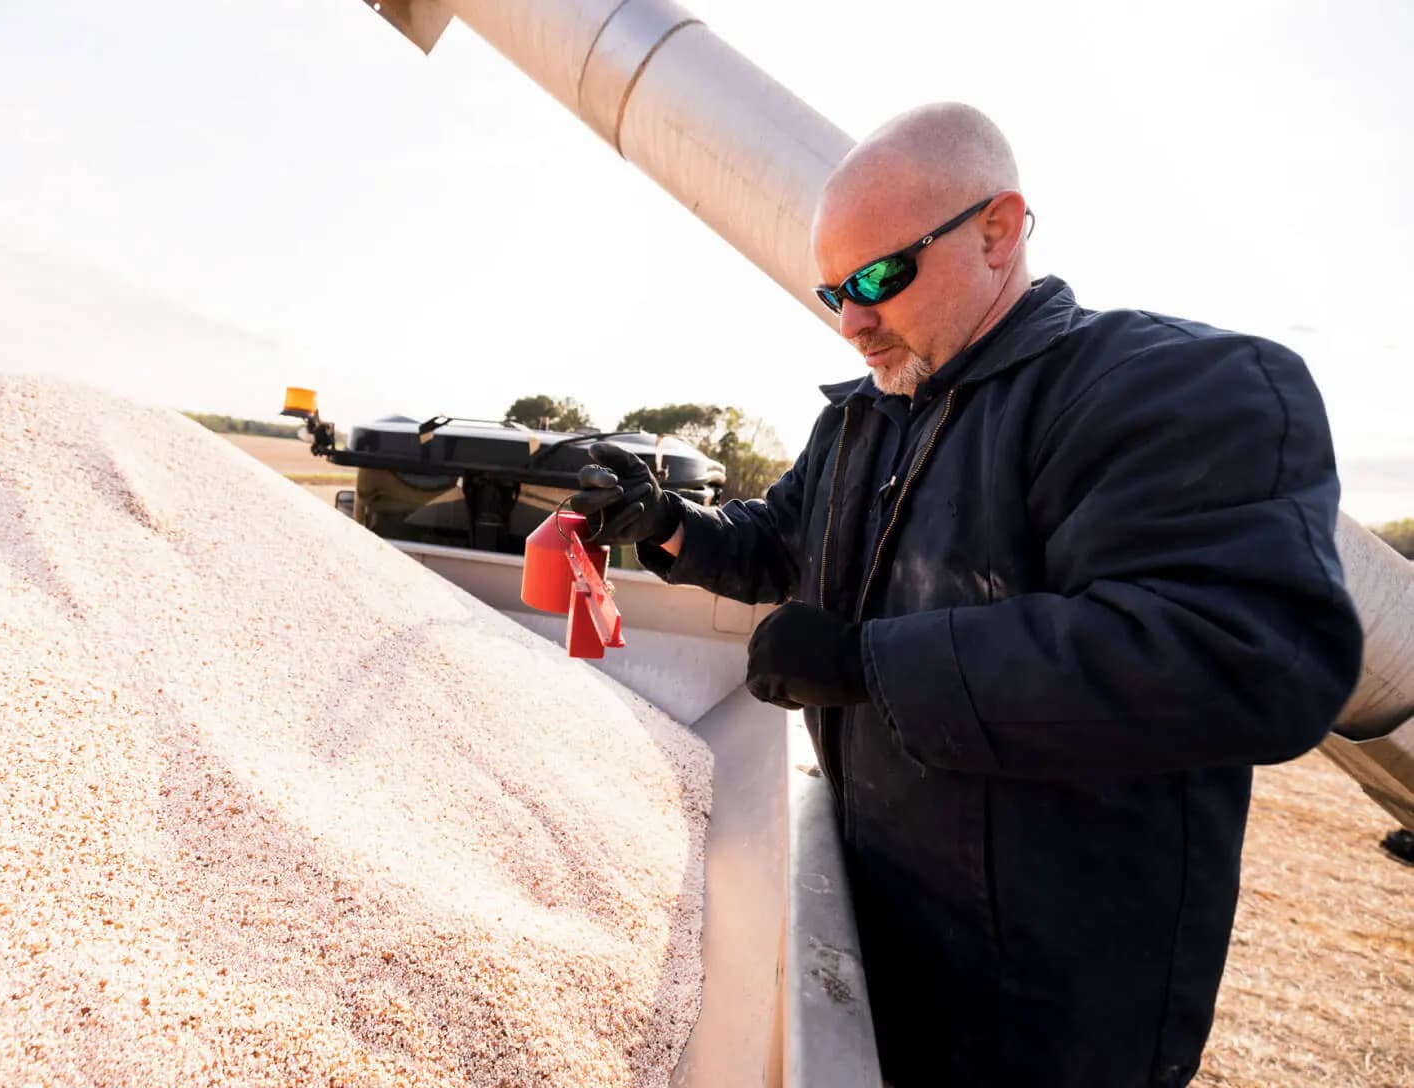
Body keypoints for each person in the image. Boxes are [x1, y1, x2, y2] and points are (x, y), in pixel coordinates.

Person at [571, 102, 1364, 1088]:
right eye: (831, 292)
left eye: (876, 276)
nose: (852, 318)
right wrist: (668, 526)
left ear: (996, 229)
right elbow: (780, 542)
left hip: (1044, 1010)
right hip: (869, 926)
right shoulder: (862, 420)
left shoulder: (1166, 388)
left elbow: (1238, 654)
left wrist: (869, 663)